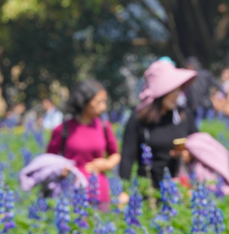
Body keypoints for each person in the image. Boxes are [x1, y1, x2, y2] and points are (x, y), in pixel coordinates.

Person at [119, 59, 198, 193]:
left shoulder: (183, 116)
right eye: (172, 90)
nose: (177, 95)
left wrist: (187, 154)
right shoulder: (139, 119)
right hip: (149, 191)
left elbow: (197, 145)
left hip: (180, 190)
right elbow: (127, 158)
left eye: (179, 89)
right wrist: (123, 191)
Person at [47, 79, 120, 207]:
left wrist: (107, 164)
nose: (103, 107)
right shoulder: (63, 128)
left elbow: (115, 154)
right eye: (98, 102)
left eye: (104, 101)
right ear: (84, 102)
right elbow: (48, 160)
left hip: (100, 194)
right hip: (70, 194)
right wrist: (60, 170)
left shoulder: (104, 126)